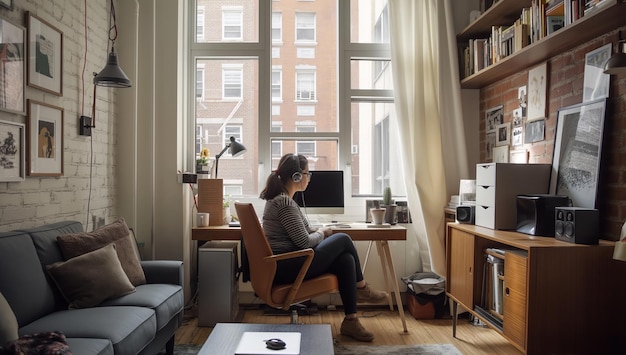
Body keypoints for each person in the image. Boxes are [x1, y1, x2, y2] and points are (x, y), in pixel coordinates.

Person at [259, 153, 388, 342]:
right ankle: (362, 289)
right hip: (288, 266)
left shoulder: (285, 201)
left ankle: (350, 321)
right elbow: (304, 243)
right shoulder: (284, 203)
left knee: (346, 260)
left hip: (290, 262)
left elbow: (302, 232)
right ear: (296, 177)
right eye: (307, 173)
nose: (309, 178)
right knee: (343, 238)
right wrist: (323, 233)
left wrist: (319, 231)